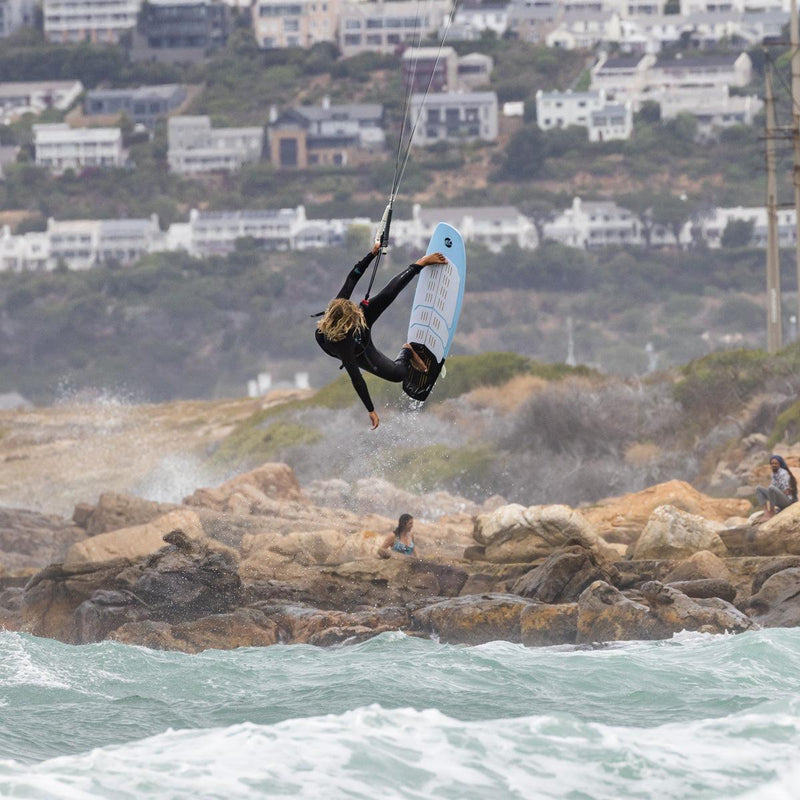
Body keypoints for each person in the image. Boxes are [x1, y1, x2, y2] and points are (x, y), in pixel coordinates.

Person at [316, 242, 447, 430]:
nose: (358, 314)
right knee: (397, 374)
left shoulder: (339, 305)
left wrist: (372, 253)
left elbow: (353, 276)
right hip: (358, 350)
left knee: (388, 294)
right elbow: (356, 379)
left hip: (356, 327)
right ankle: (407, 351)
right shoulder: (343, 347)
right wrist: (370, 410)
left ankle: (420, 263)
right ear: (346, 323)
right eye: (354, 317)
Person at [756, 454, 798, 520]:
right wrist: (772, 493)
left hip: (787, 501)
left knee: (771, 488)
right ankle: (766, 512)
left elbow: (787, 491)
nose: (774, 465)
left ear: (780, 464)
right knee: (758, 488)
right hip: (778, 498)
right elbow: (773, 489)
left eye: (776, 463)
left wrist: (774, 492)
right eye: (772, 463)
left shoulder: (784, 473)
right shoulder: (773, 474)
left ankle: (772, 511)